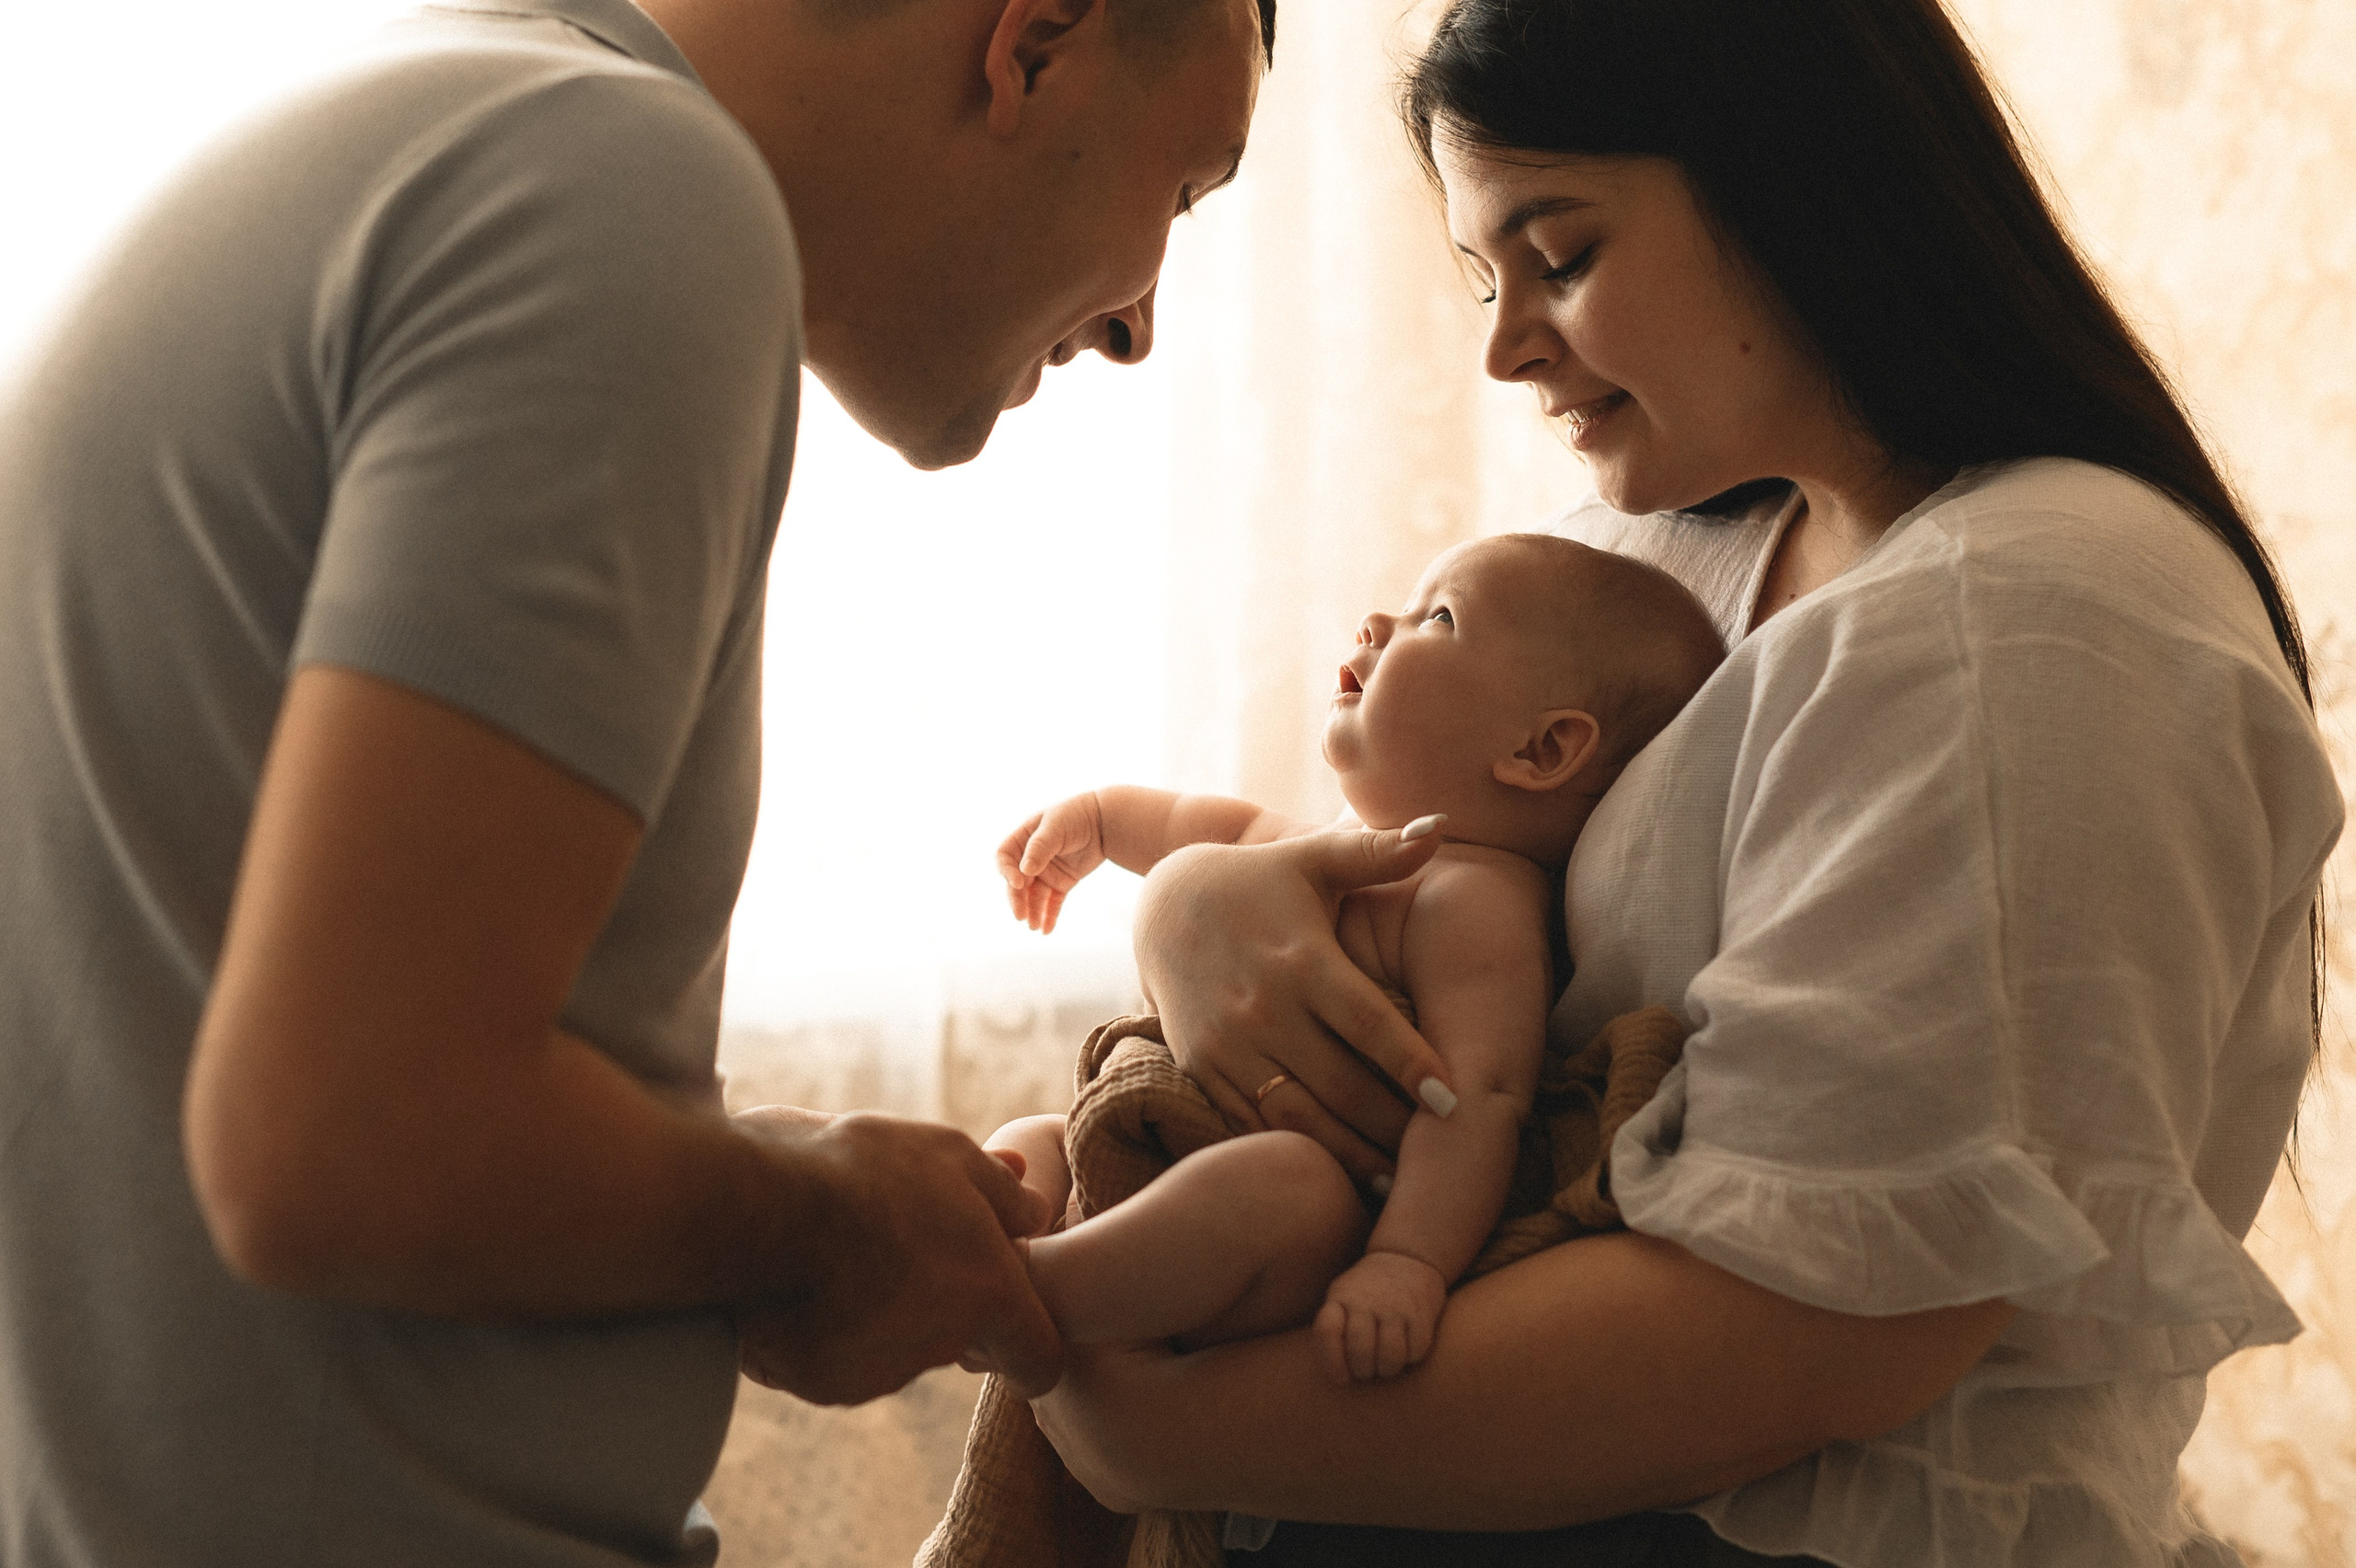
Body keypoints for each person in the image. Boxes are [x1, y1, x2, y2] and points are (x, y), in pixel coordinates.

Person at [1026, 1, 2344, 1564]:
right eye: (1485, 278)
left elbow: (1826, 1317)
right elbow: (1412, 849)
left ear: (1800, 185)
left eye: (1561, 257)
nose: (1506, 345)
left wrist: (1151, 1427)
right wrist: (1196, 898)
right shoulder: (1668, 555)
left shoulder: (2034, 613)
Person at [0, 0, 1274, 1563]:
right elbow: (344, 1133)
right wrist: (819, 1229)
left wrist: (766, 1169)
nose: (1142, 325)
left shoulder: (438, 123)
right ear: (1035, 41)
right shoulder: (621, 194)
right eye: (1190, 189)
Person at [988, 534, 1722, 1384]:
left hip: (1294, 1223)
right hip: (1158, 1142)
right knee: (1035, 1139)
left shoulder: (1476, 900)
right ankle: (999, 1228)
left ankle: (1029, 1293)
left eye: (1436, 617)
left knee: (1287, 1189)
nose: (1380, 621)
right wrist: (1101, 820)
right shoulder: (1349, 847)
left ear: (1541, 751)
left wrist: (1409, 1260)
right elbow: (1215, 827)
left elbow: (1478, 1101)